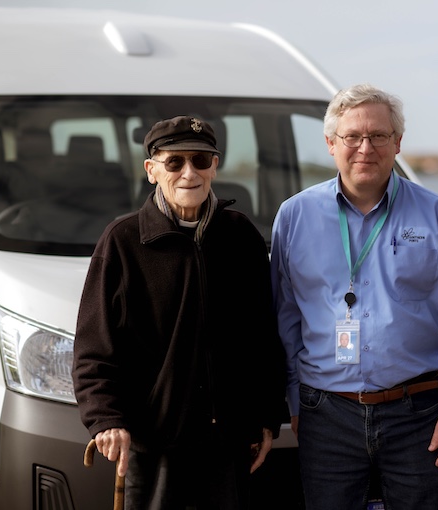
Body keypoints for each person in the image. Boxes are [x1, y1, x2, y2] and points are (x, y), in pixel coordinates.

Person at [270, 83, 438, 510]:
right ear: (331, 143)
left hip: (419, 414)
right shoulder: (294, 216)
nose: (365, 147)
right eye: (352, 136)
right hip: (325, 414)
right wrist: (296, 398)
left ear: (398, 143)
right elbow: (286, 315)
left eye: (379, 136)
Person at [72, 115, 286, 509]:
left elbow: (262, 337)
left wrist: (267, 417)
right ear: (152, 170)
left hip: (230, 445)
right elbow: (94, 348)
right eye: (175, 162)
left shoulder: (241, 236)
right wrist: (105, 418)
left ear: (215, 166)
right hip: (153, 443)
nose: (190, 172)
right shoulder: (122, 241)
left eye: (201, 161)